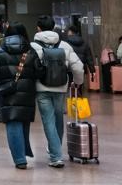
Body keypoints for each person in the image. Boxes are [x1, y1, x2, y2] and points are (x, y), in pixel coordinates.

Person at [30, 16, 85, 169]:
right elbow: (78, 67)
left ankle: (56, 156)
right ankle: (56, 148)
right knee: (58, 119)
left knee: (48, 121)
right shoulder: (64, 45)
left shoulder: (33, 46)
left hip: (41, 88)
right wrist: (78, 83)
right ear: (53, 27)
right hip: (61, 87)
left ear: (38, 28)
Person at [0, 23, 40, 169]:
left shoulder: (0, 51)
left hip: (8, 92)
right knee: (24, 121)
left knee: (12, 122)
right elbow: (38, 71)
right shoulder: (30, 51)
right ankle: (23, 153)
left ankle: (20, 159)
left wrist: (3, 84)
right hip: (27, 92)